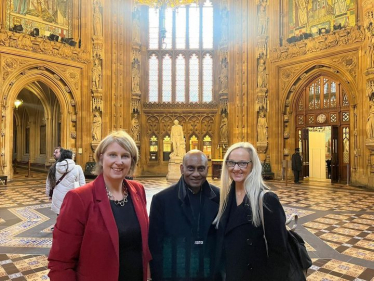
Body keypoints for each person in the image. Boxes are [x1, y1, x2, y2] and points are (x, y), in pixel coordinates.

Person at [48, 131, 151, 281]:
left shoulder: (138, 190)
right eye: (113, 155)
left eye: (125, 156)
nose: (119, 161)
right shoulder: (79, 198)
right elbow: (61, 262)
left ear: (132, 161)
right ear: (101, 157)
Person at [213, 142, 290, 281]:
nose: (236, 168)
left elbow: (279, 252)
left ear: (253, 165)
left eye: (243, 163)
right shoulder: (223, 198)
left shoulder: (267, 200)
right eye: (231, 163)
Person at [149, 150, 220, 281]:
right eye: (191, 168)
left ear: (207, 169)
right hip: (175, 273)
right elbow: (155, 246)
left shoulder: (220, 198)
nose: (196, 174)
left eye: (201, 169)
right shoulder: (162, 200)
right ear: (182, 169)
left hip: (209, 273)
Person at [46, 149, 86, 215]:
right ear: (71, 157)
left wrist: (49, 195)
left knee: (60, 216)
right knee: (72, 216)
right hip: (73, 196)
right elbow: (82, 184)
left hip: (57, 195)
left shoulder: (54, 168)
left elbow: (49, 183)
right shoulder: (78, 168)